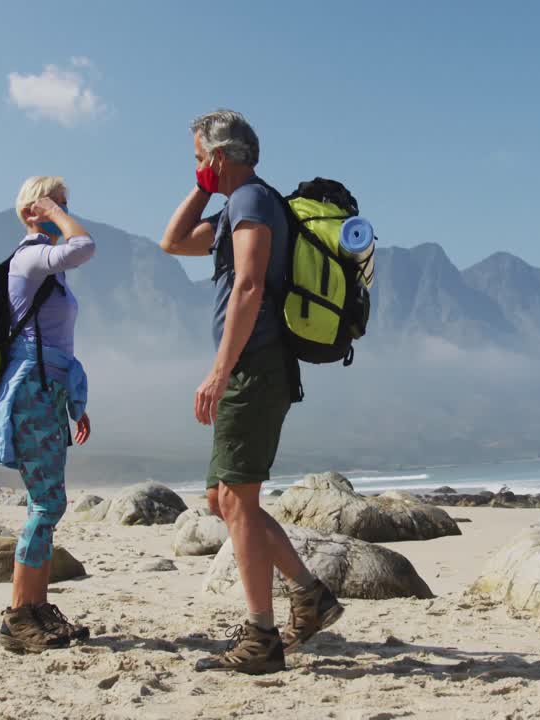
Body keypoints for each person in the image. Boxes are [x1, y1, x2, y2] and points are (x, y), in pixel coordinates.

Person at [160, 110, 343, 674]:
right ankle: (310, 596)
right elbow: (172, 242)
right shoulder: (232, 207)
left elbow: (249, 284)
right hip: (251, 366)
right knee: (224, 501)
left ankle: (262, 635)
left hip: (254, 367)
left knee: (237, 501)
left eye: (198, 158)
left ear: (219, 156)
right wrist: (200, 185)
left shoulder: (253, 202)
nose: (196, 167)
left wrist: (220, 370)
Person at [0, 176, 96, 653]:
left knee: (48, 504)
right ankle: (17, 617)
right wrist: (53, 213)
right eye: (54, 203)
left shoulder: (48, 270)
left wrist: (76, 403)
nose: (62, 210)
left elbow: (60, 346)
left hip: (48, 391)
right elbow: (85, 244)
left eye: (65, 203)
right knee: (46, 505)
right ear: (32, 211)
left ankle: (36, 610)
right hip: (31, 390)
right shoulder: (30, 258)